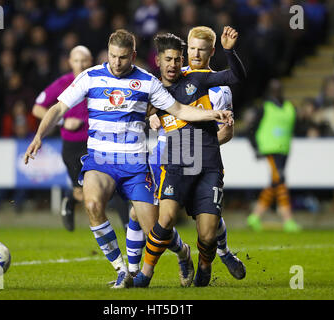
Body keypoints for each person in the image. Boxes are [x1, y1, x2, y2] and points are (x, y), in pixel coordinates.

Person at [23, 29, 232, 289]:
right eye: (112, 56)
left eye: (122, 57)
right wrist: (39, 135)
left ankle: (183, 252)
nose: (117, 63)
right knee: (92, 204)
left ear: (132, 55)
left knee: (155, 231)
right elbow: (58, 108)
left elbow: (178, 109)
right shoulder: (91, 77)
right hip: (100, 160)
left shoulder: (147, 82)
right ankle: (123, 270)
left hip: (134, 164)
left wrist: (212, 115)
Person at [128, 26, 246, 284]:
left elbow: (235, 82)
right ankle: (141, 274)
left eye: (199, 50)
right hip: (172, 158)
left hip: (207, 161)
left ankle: (207, 264)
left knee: (207, 232)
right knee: (159, 218)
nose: (193, 55)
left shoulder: (206, 82)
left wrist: (230, 51)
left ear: (210, 52)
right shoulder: (157, 87)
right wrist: (150, 119)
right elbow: (138, 109)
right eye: (190, 49)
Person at [31, 45, 130, 232]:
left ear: (90, 61)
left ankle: (129, 228)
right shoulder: (63, 83)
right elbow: (37, 108)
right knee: (83, 192)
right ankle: (70, 198)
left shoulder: (100, 79)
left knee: (114, 185)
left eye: (84, 60)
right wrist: (63, 121)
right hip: (73, 146)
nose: (80, 64)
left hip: (98, 144)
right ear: (70, 62)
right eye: (76, 61)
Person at [246, 79, 301, 233]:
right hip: (270, 149)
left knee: (275, 182)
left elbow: (295, 126)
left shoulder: (289, 107)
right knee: (281, 180)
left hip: (284, 150)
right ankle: (288, 219)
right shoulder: (264, 107)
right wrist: (256, 148)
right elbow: (251, 129)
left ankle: (255, 216)